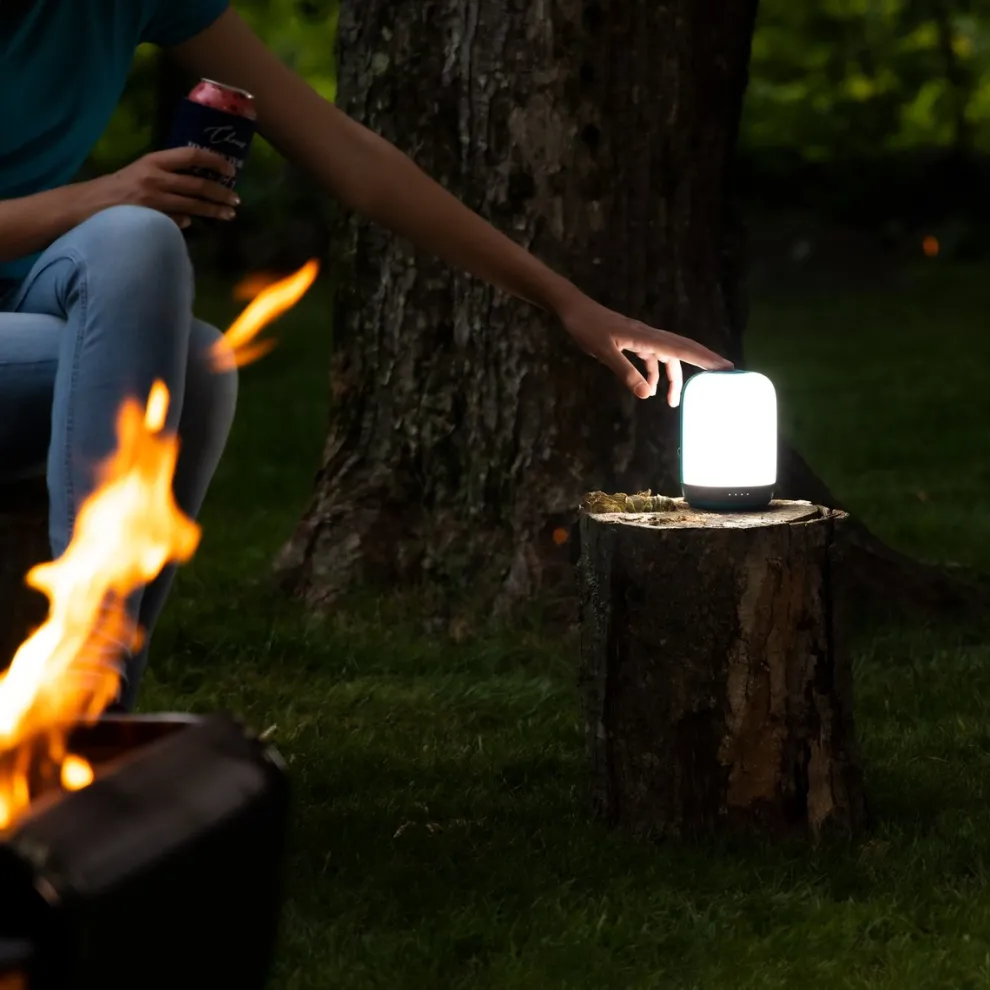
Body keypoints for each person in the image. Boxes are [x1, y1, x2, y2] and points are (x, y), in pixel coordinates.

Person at [0, 0, 732, 710]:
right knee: (134, 241)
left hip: (30, 307)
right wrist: (99, 196)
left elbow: (354, 159)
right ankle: (84, 699)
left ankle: (91, 691)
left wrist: (568, 302)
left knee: (175, 313)